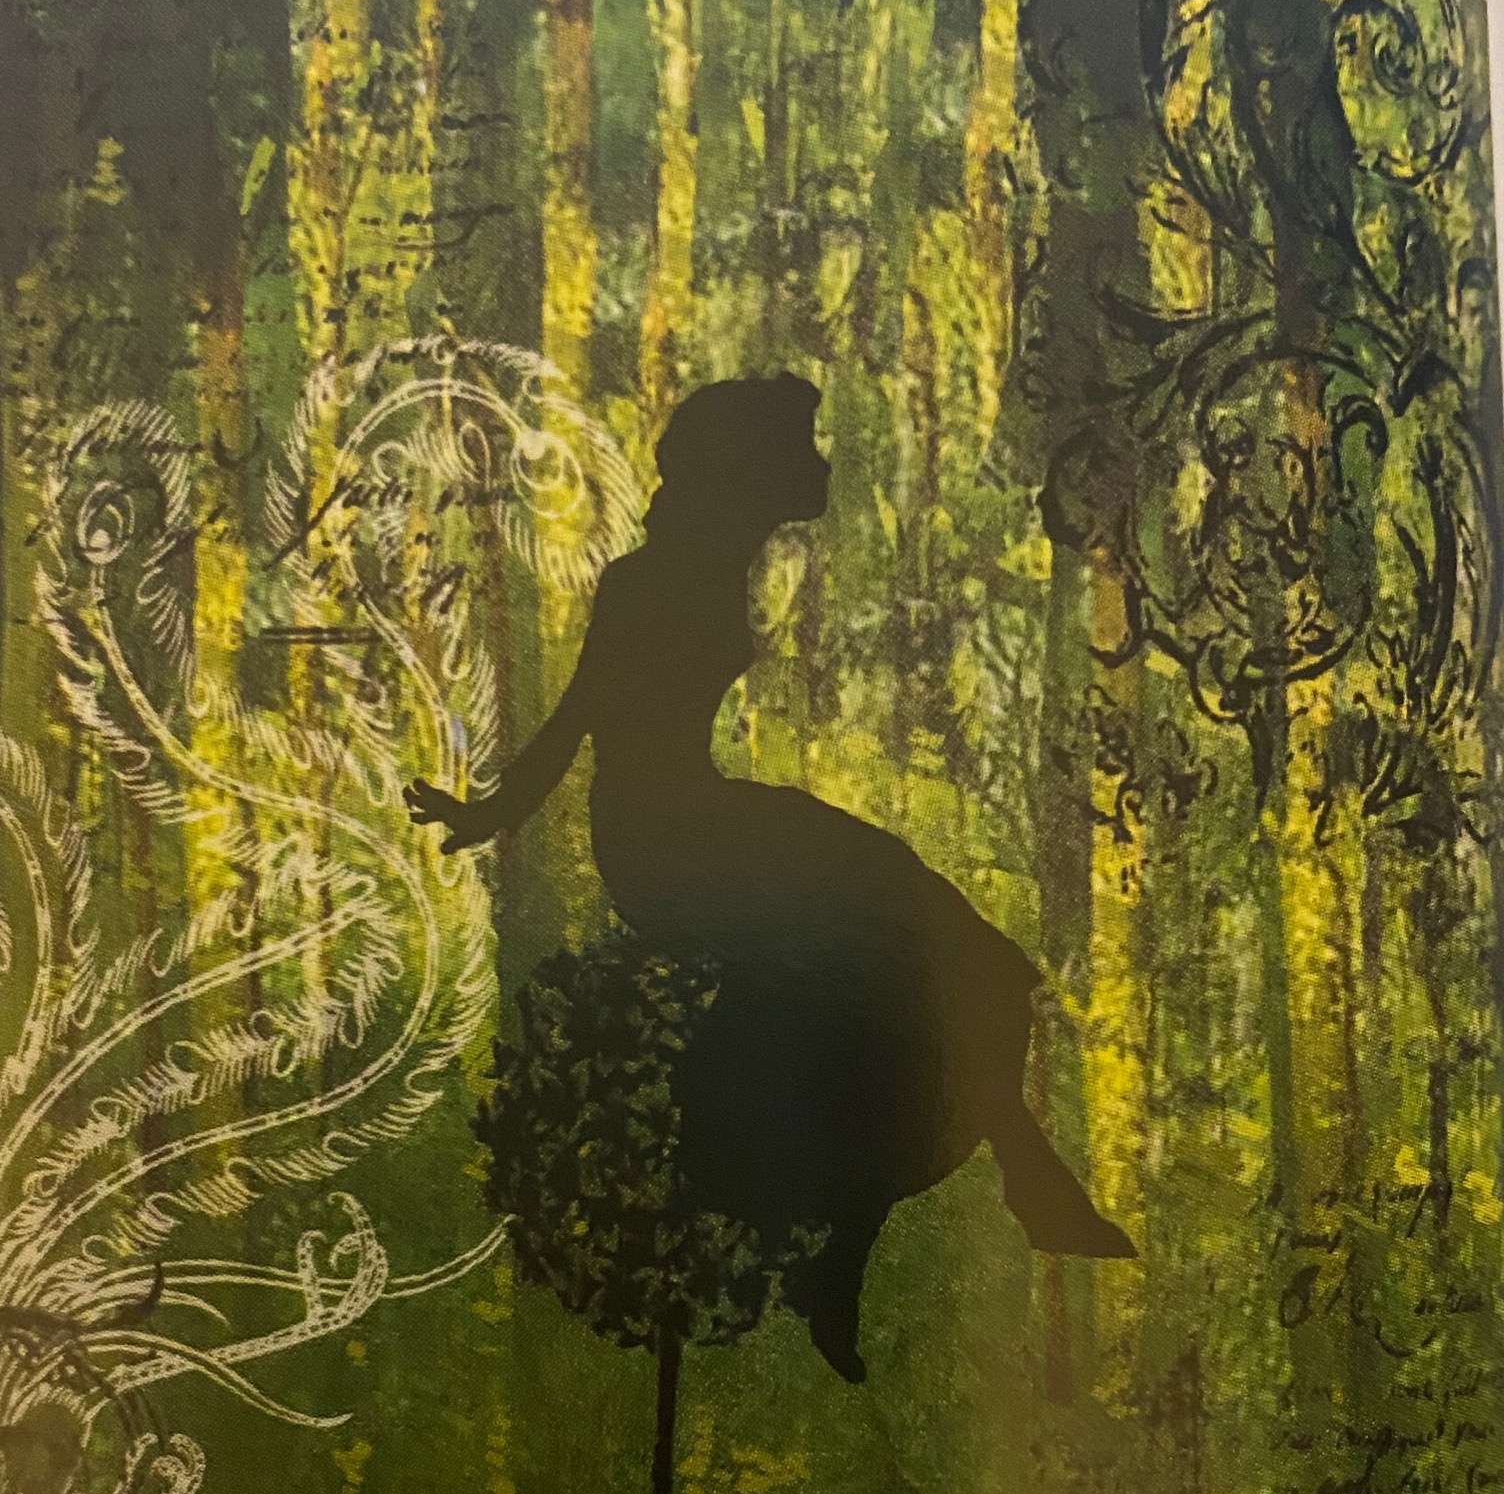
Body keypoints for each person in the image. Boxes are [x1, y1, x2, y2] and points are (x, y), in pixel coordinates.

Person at [407, 374, 1134, 1382]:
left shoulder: (714, 567)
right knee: (932, 939)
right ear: (748, 471)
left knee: (935, 964)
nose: (822, 463)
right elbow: (576, 722)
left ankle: (892, 1229)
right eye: (803, 444)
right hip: (668, 844)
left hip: (709, 823)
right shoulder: (648, 583)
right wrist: (488, 815)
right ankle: (1013, 1182)